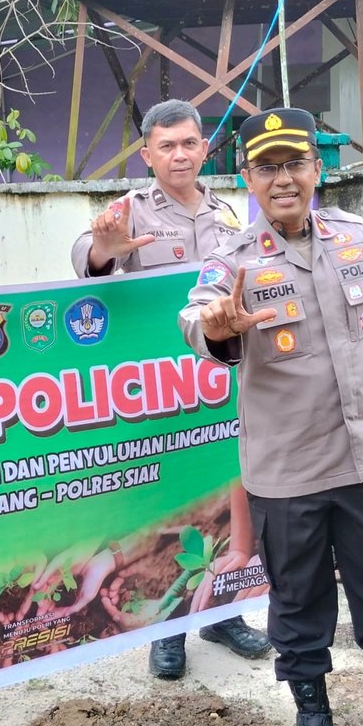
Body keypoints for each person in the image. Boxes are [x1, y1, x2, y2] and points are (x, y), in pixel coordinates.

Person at [180, 107, 363, 726]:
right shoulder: (232, 260)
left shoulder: (355, 238)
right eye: (266, 167)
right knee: (297, 604)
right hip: (287, 470)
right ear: (248, 179)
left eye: (294, 162)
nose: (282, 178)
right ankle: (313, 718)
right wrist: (217, 326)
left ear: (316, 170)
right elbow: (198, 316)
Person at [71, 98, 272, 679]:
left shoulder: (232, 216)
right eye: (167, 146)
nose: (179, 155)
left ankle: (222, 613)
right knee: (169, 508)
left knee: (229, 501)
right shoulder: (128, 211)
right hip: (157, 391)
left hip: (223, 381)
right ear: (147, 153)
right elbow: (90, 263)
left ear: (204, 148)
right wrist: (105, 249)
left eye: (189, 143)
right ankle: (167, 629)